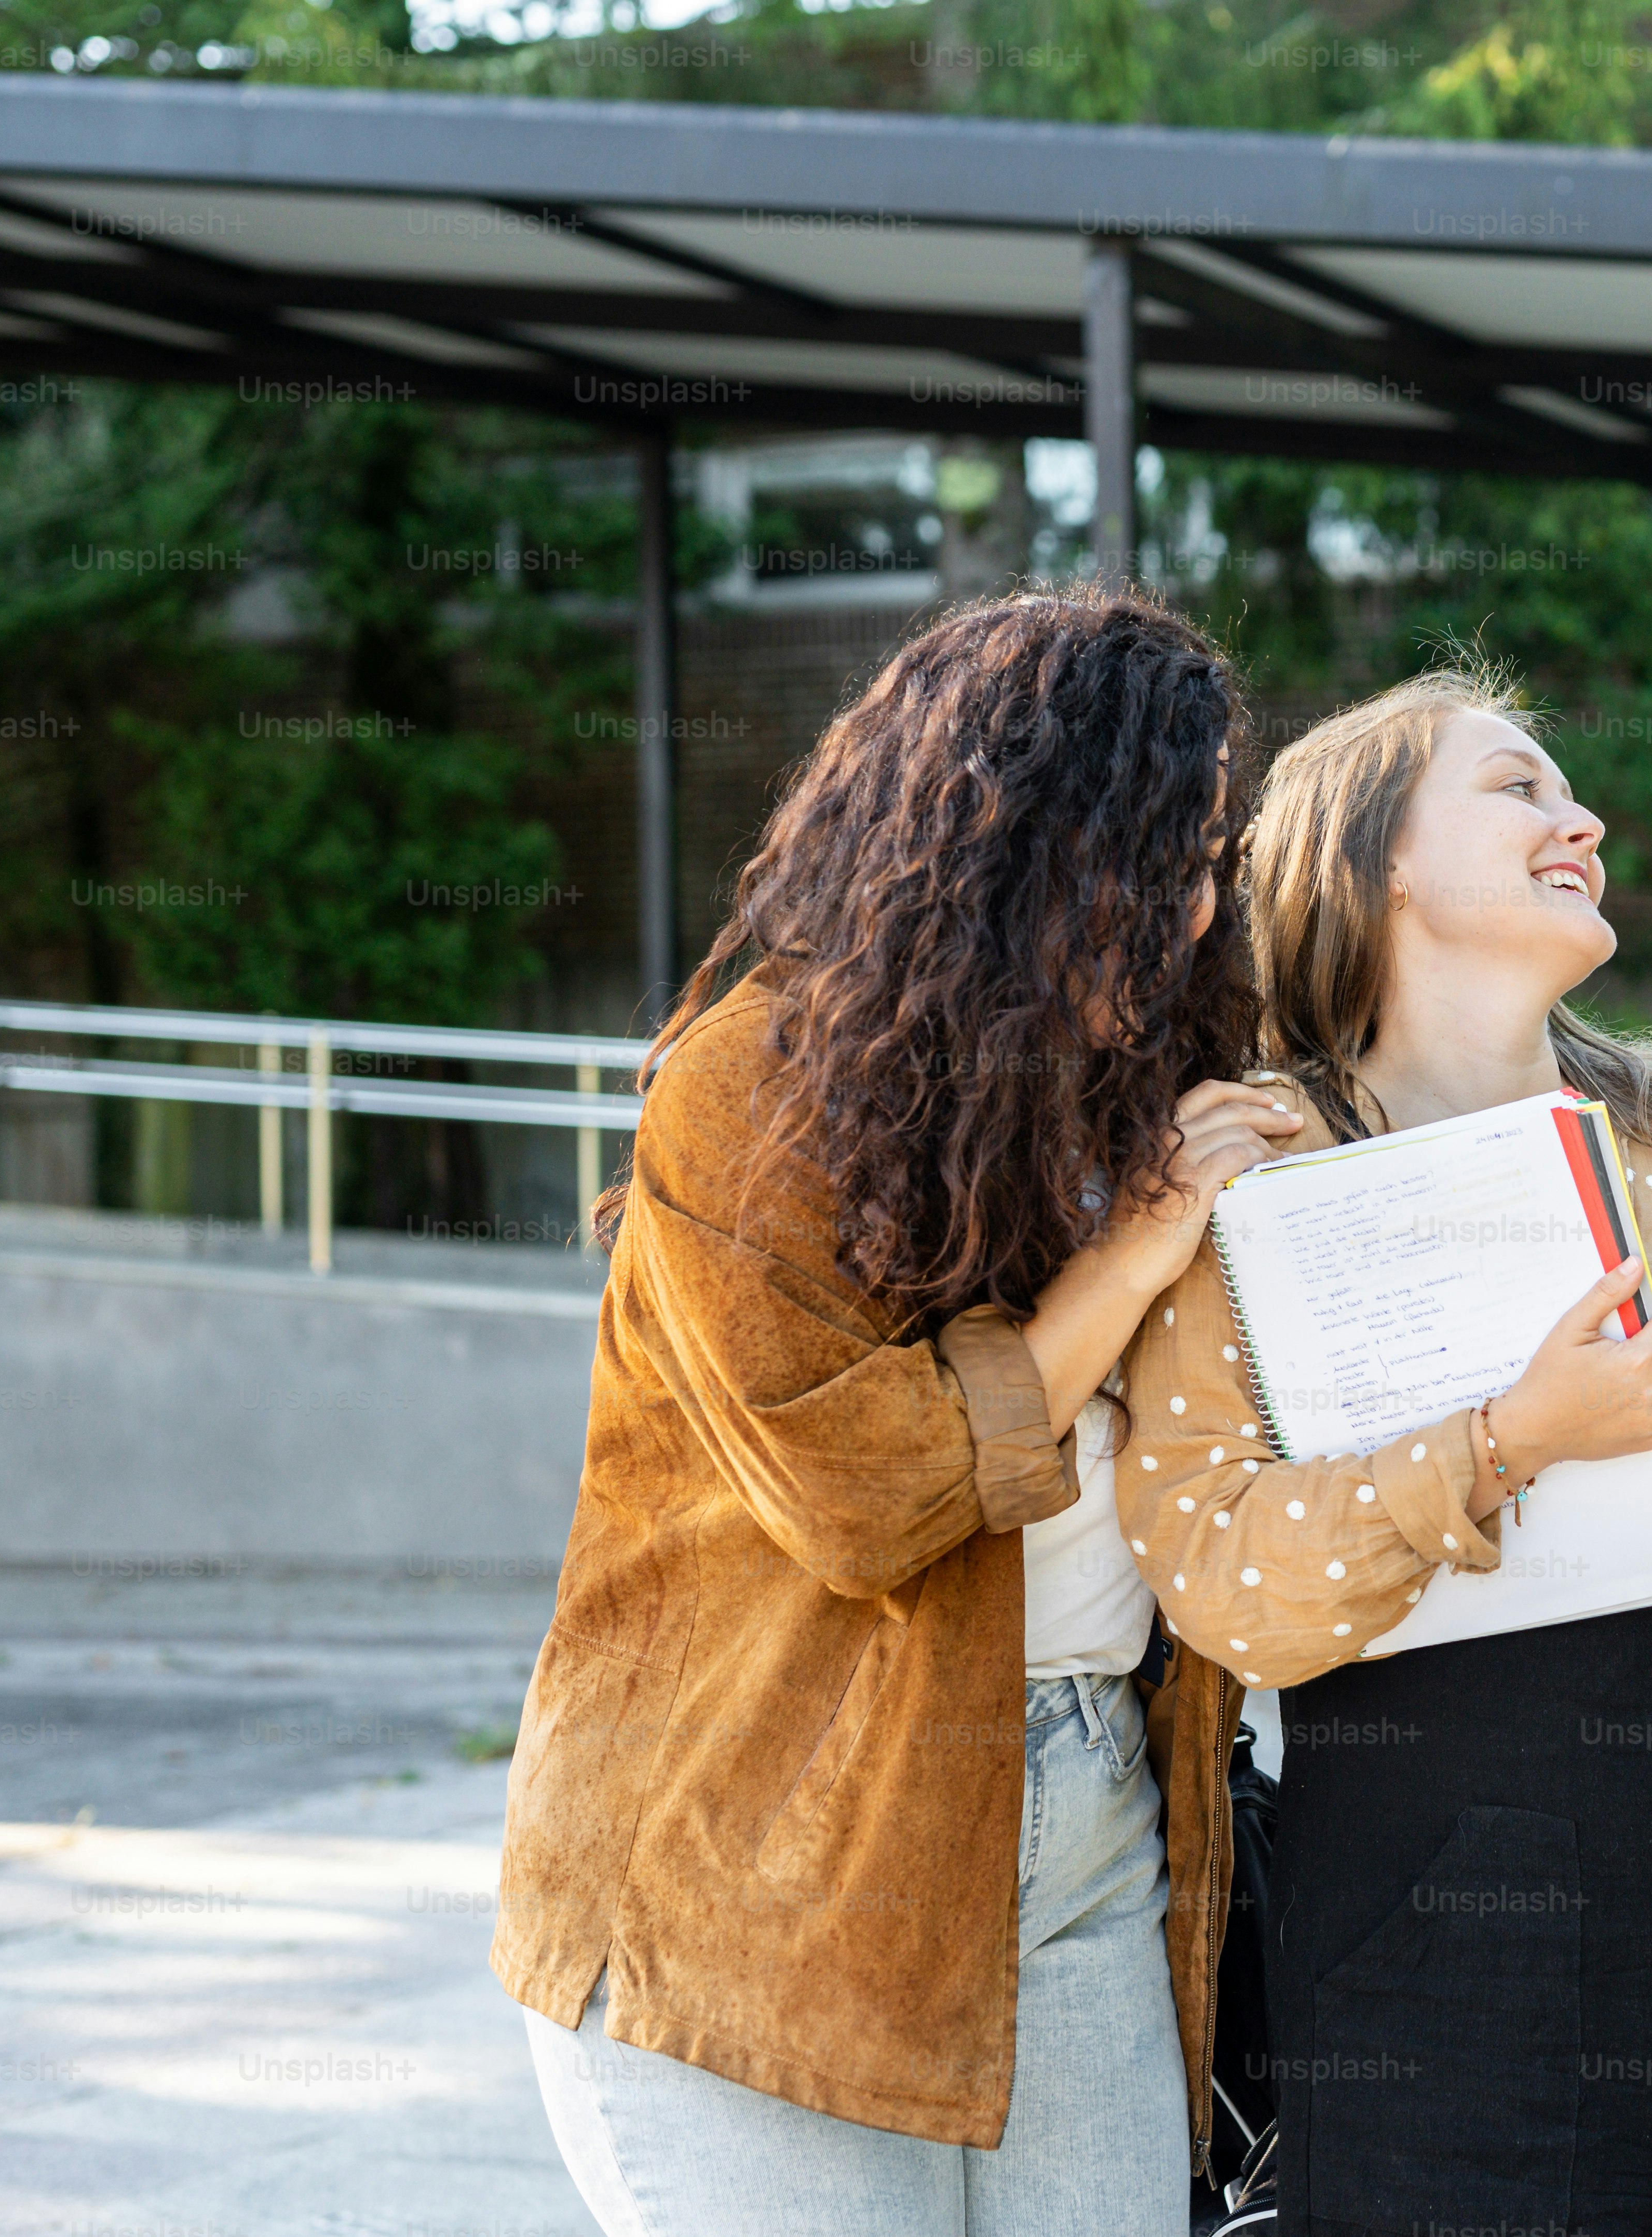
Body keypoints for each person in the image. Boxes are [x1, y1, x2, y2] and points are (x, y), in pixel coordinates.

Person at [492, 589, 1302, 2235]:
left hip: (1090, 1831)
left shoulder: (1151, 1093)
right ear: (1007, 835)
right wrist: (1129, 1260)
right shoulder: (753, 1090)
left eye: (1210, 858)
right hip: (760, 1866)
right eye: (1156, 854)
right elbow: (868, 1497)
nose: (1191, 908)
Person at [1114, 670, 1652, 2237]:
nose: (1584, 819)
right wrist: (1503, 1443)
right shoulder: (1253, 1173)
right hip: (1438, 1988)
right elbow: (1224, 1578)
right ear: (1378, 862)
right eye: (1519, 787)